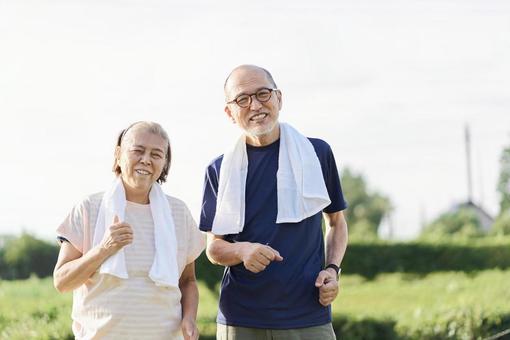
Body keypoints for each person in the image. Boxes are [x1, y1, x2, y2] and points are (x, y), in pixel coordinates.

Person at [199, 65, 349, 340]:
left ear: (279, 98)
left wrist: (332, 270)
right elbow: (214, 248)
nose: (255, 104)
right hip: (241, 319)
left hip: (308, 316)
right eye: (242, 99)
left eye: (263, 94)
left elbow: (336, 223)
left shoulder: (317, 153)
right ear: (229, 112)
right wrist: (243, 251)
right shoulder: (218, 169)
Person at [53, 121, 205, 340]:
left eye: (156, 154)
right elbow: (62, 282)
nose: (146, 159)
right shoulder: (89, 208)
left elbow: (187, 281)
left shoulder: (178, 212)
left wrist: (189, 318)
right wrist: (104, 249)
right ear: (118, 154)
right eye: (138, 150)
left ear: (164, 163)